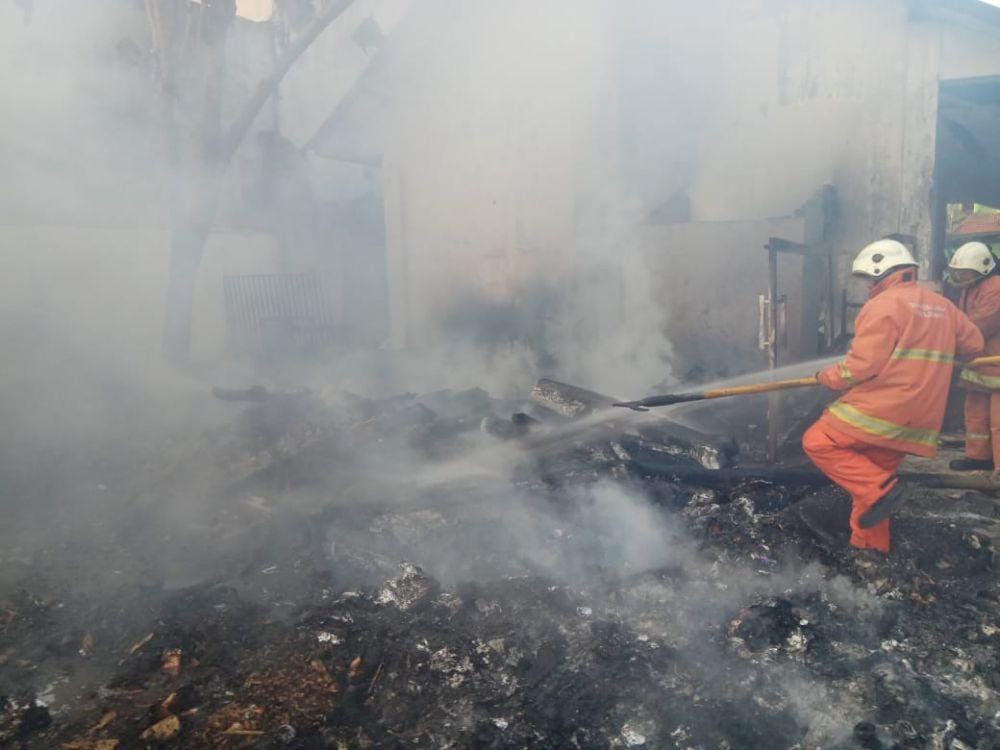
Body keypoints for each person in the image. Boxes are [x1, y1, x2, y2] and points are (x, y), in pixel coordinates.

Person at [800, 239, 984, 554]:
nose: (870, 285)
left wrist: (827, 378)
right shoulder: (943, 305)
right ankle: (870, 554)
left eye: (871, 278)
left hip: (881, 410)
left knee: (818, 441)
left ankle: (881, 490)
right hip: (917, 420)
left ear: (882, 269)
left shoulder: (885, 305)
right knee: (869, 492)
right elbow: (975, 345)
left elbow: (862, 366)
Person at [947, 241, 1000, 471]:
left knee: (998, 421)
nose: (959, 278)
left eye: (964, 274)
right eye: (957, 273)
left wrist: (947, 339)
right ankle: (978, 458)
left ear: (983, 269)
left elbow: (979, 325)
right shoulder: (971, 288)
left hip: (995, 363)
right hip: (979, 365)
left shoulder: (995, 288)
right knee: (976, 416)